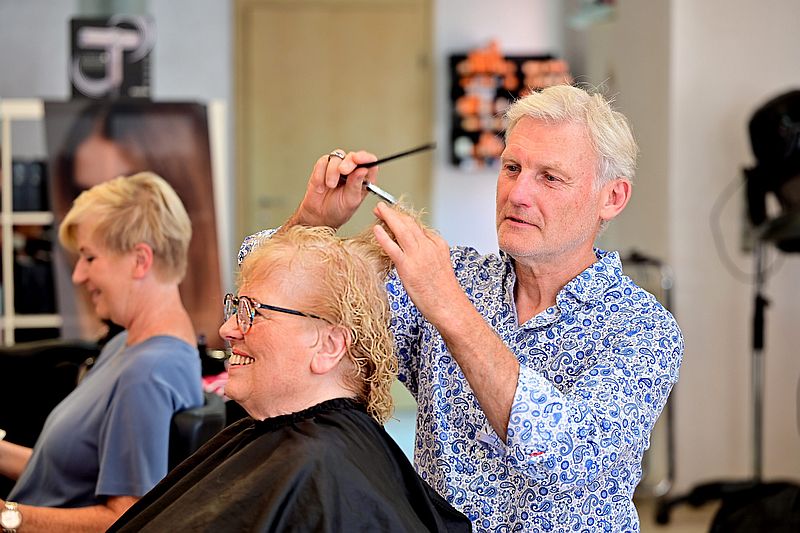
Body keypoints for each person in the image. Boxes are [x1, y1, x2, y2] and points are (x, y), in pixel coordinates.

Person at [240, 85, 685, 532]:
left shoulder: (643, 330)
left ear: (612, 198)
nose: (518, 194)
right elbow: (274, 306)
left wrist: (447, 306)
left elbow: (565, 459)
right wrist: (314, 222)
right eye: (512, 168)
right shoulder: (455, 277)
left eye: (550, 177)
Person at [108, 225, 471, 532]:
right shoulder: (280, 442)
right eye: (236, 307)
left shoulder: (323, 471)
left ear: (329, 345)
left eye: (253, 312)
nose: (227, 329)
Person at [0, 172, 203, 532]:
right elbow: (65, 473)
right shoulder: (125, 345)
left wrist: (8, 517)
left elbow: (127, 518)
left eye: (89, 258)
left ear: (140, 260)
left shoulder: (149, 371)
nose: (78, 275)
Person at [47, 100, 224, 349]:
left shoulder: (157, 363)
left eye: (123, 188)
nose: (99, 213)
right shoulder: (121, 350)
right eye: (85, 189)